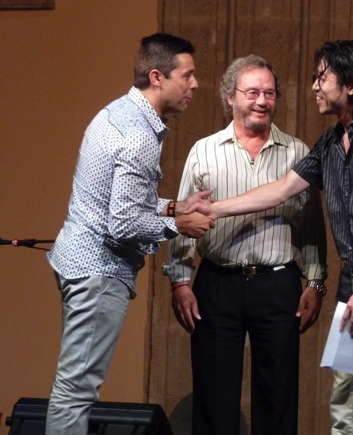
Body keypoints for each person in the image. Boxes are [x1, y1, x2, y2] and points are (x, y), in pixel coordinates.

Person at [189, 40, 353, 435]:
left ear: (350, 84)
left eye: (322, 77)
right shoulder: (331, 141)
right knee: (347, 410)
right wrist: (215, 209)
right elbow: (281, 189)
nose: (315, 86)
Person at [45, 33, 215, 435]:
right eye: (187, 76)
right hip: (98, 272)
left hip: (78, 262)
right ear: (157, 77)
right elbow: (123, 223)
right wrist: (179, 225)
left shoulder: (115, 113)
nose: (194, 85)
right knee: (75, 392)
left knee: (73, 388)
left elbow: (123, 201)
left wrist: (175, 206)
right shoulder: (138, 133)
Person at [163, 54, 328, 435]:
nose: (261, 101)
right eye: (252, 92)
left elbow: (311, 226)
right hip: (218, 284)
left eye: (269, 93)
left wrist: (316, 282)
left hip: (278, 285)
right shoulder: (204, 151)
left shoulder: (297, 153)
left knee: (278, 400)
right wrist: (180, 281)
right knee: (214, 400)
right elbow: (183, 221)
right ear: (231, 97)